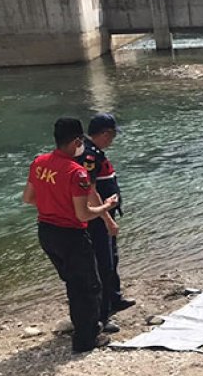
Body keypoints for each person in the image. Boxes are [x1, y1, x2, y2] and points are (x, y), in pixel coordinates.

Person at [22, 118, 118, 352]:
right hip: (71, 235)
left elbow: (28, 198)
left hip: (46, 232)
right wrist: (105, 208)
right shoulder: (78, 173)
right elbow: (83, 214)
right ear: (76, 141)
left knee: (73, 282)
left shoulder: (39, 163)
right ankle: (86, 339)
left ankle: (80, 325)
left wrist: (53, 204)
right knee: (88, 287)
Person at [76, 113, 135, 334]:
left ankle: (114, 298)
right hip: (97, 220)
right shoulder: (89, 156)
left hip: (103, 217)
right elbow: (90, 192)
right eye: (111, 136)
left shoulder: (95, 153)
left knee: (113, 258)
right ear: (104, 134)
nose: (113, 140)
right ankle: (102, 314)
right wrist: (107, 219)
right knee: (103, 264)